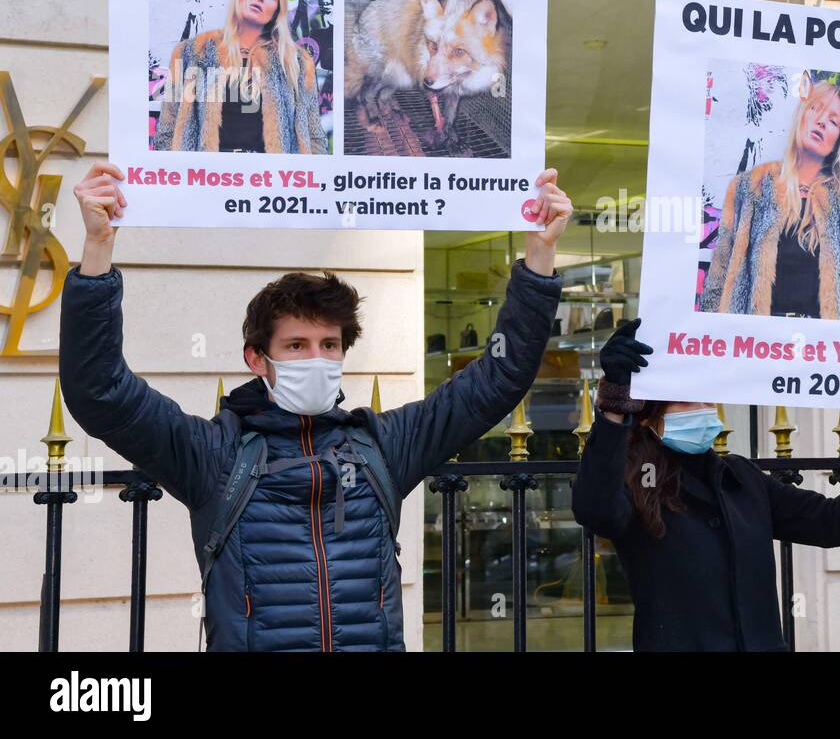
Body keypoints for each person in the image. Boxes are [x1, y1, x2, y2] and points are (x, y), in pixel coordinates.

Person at [60, 160, 572, 651]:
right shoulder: (214, 455)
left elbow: (496, 381)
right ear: (257, 359)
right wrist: (98, 250)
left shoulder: (382, 447)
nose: (317, 358)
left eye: (329, 345)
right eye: (297, 346)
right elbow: (101, 392)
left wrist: (539, 260)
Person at [570, 319, 840, 651]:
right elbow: (595, 508)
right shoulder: (637, 482)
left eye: (705, 395)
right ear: (650, 417)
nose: (703, 407)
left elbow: (838, 521)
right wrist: (614, 406)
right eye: (685, 400)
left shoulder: (740, 479)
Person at [700, 75, 840, 321]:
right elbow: (718, 278)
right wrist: (708, 338)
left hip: (826, 352)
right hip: (757, 349)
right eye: (815, 109)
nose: (821, 122)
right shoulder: (750, 188)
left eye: (832, 121)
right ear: (801, 115)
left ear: (838, 139)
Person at [155, 0, 327, 154]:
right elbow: (167, 131)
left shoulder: (296, 62)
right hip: (206, 180)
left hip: (271, 182)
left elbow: (314, 138)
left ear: (277, 9)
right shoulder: (190, 53)